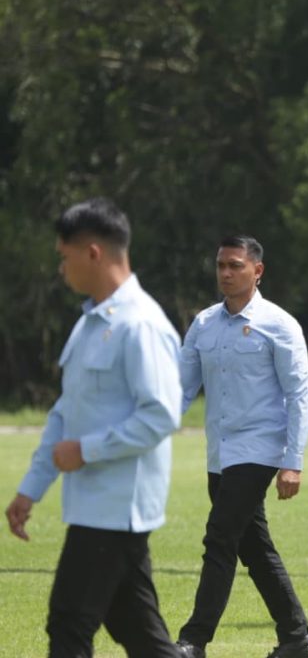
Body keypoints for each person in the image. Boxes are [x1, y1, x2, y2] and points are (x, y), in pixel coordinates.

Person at [4, 198, 182, 657]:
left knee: (68, 623)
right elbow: (65, 414)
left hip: (117, 508)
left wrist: (87, 450)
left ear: (94, 253)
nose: (61, 269)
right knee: (137, 630)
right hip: (94, 507)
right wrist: (31, 488)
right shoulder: (89, 325)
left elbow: (161, 415)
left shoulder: (141, 324)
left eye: (64, 257)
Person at [175, 235, 308, 658]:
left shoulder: (280, 324)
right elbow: (180, 389)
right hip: (219, 454)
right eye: (221, 265)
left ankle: (193, 641)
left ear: (257, 271)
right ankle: (297, 638)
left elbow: (299, 395)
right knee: (253, 548)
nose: (226, 273)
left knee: (219, 539)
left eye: (235, 265)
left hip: (259, 450)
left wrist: (293, 461)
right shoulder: (204, 324)